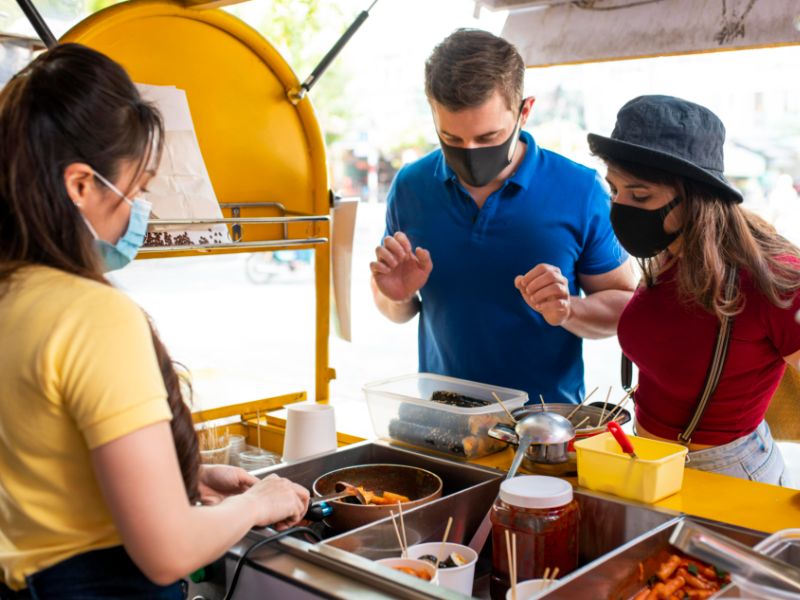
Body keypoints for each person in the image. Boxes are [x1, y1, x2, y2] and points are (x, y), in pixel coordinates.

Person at [0, 44, 309, 598]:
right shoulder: (92, 316)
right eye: (138, 188)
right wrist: (256, 504)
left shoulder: (12, 293)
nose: (142, 209)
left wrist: (183, 478)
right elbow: (169, 552)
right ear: (80, 186)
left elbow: (46, 463)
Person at [369, 29, 635, 404]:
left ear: (524, 112)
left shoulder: (579, 189)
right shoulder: (411, 186)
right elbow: (395, 308)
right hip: (441, 420)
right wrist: (396, 296)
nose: (470, 152)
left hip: (542, 430)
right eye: (452, 139)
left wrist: (567, 309)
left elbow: (625, 304)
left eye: (488, 137)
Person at [588, 95, 800, 485]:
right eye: (614, 189)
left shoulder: (772, 276)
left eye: (640, 196)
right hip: (650, 461)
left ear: (696, 197)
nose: (620, 208)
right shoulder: (668, 252)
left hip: (729, 475)